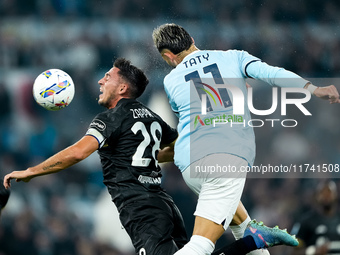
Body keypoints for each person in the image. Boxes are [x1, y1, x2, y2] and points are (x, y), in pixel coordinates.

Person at [3, 58, 298, 255]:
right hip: (163, 203)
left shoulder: (111, 117)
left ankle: (252, 239)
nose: (99, 82)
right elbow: (183, 143)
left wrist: (32, 171)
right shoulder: (151, 117)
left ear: (122, 87)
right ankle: (252, 239)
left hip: (141, 210)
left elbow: (79, 152)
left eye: (106, 77)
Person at [152, 23, 340, 255]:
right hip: (223, 162)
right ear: (191, 38)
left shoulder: (170, 81)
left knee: (247, 231)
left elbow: (197, 112)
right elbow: (272, 74)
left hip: (191, 165)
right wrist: (313, 88)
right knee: (200, 245)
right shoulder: (234, 57)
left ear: (169, 56)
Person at [291, 180, 340, 255]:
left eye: (329, 192)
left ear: (336, 195)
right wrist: (313, 251)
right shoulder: (305, 222)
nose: (326, 196)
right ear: (316, 196)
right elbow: (293, 251)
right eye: (322, 193)